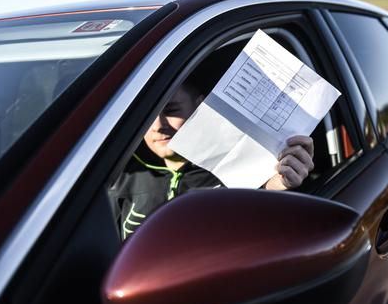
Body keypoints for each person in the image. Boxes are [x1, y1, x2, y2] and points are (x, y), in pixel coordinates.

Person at [108, 81, 314, 241]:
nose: (157, 126)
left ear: (199, 106)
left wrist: (279, 186)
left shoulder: (240, 166)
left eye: (170, 111)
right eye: (147, 115)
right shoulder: (119, 175)